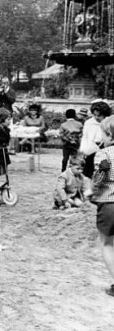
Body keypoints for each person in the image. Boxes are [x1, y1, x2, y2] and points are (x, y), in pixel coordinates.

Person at [89, 116, 114, 296]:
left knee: (107, 243)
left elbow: (102, 174)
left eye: (103, 135)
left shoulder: (105, 154)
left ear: (111, 137)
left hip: (109, 203)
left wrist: (92, 191)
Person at [80, 101, 111, 178]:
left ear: (104, 114)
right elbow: (85, 137)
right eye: (94, 115)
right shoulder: (89, 123)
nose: (97, 117)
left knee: (104, 172)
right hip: (91, 149)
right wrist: (83, 150)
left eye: (99, 115)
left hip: (105, 150)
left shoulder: (109, 122)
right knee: (88, 173)